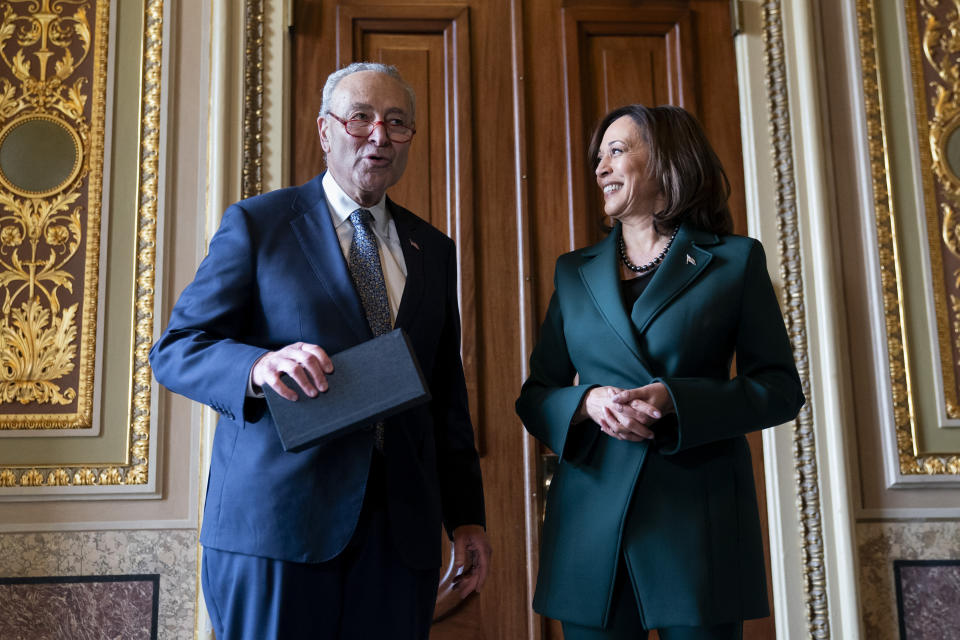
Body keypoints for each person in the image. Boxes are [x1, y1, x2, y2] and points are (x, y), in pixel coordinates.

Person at [150, 62, 491, 640]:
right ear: (325, 130)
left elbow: (445, 395)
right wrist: (258, 366)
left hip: (398, 539)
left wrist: (466, 517)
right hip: (277, 528)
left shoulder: (434, 248)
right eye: (360, 118)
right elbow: (177, 349)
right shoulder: (259, 225)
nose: (379, 136)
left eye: (397, 123)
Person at [515, 104, 804, 640]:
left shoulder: (735, 261)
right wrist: (587, 401)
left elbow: (780, 390)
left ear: (668, 162)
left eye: (617, 151)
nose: (600, 166)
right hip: (591, 525)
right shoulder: (572, 273)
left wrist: (677, 398)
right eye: (598, 156)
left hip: (697, 523)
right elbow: (536, 395)